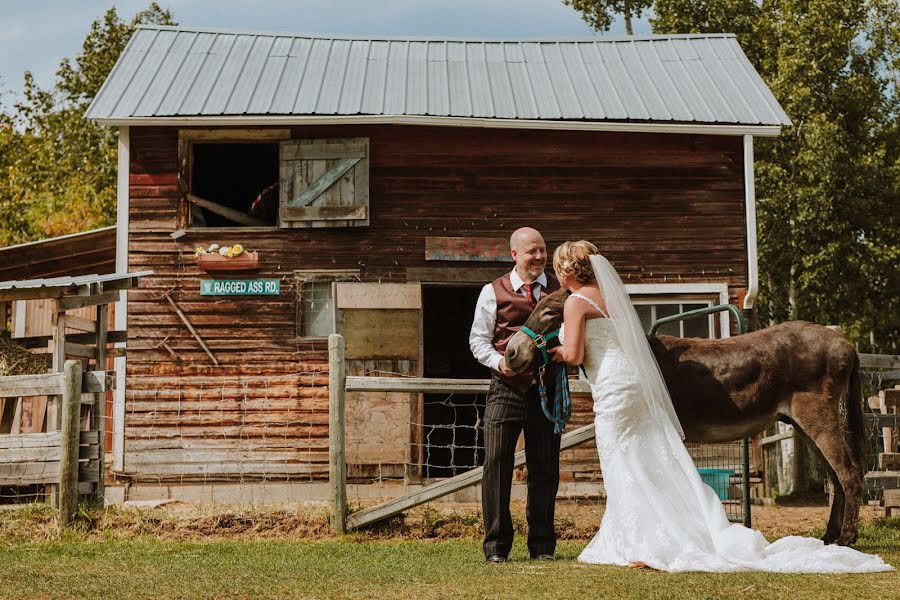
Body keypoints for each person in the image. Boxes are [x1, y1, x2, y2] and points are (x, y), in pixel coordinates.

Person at [548, 240, 893, 573]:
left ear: (566, 272)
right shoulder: (612, 296)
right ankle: (840, 530)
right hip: (633, 383)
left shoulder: (575, 302)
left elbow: (575, 354)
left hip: (614, 385)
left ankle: (638, 537)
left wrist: (555, 352)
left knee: (625, 461)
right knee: (640, 460)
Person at [469, 227, 561, 564]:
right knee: (496, 466)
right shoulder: (492, 292)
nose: (538, 257)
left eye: (542, 250)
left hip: (547, 390)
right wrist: (499, 364)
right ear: (514, 255)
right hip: (506, 390)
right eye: (531, 251)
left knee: (545, 468)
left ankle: (542, 546)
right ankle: (496, 548)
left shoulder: (559, 289)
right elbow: (478, 341)